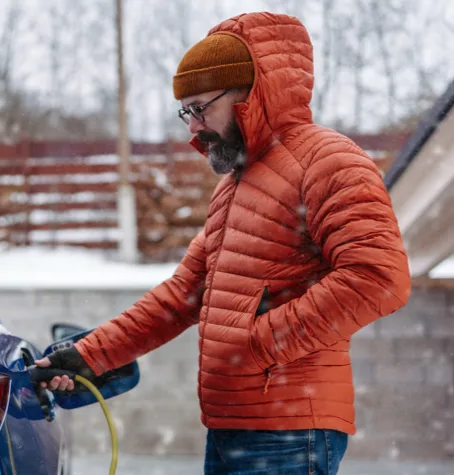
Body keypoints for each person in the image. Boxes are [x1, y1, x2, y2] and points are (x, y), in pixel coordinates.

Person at [35, 11, 411, 474]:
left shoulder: (329, 161)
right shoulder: (236, 185)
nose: (192, 127)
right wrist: (89, 355)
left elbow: (378, 278)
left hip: (291, 433)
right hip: (232, 425)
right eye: (185, 111)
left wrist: (256, 345)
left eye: (200, 108)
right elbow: (182, 296)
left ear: (249, 94)